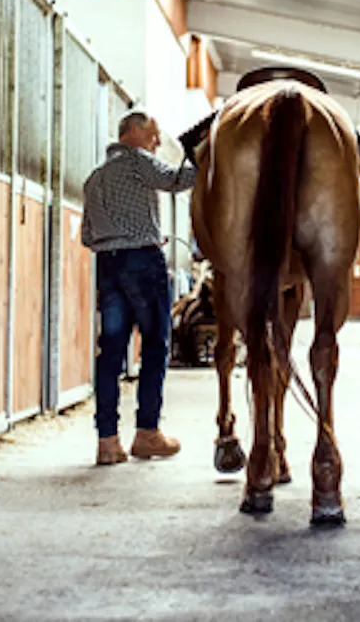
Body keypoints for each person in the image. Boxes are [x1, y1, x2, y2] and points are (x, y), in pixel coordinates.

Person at [81, 109, 213, 465]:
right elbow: (177, 180)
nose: (156, 143)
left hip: (107, 266)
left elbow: (87, 235)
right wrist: (206, 155)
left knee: (109, 353)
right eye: (153, 135)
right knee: (156, 346)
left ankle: (107, 442)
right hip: (143, 264)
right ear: (134, 132)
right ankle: (147, 434)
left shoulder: (95, 178)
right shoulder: (138, 161)